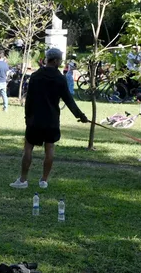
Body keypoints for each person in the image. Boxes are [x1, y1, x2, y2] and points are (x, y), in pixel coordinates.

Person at [10, 48, 88, 189]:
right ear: (56, 60)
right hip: (51, 120)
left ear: (47, 59)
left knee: (28, 148)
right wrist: (81, 116)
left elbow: (29, 100)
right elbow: (69, 101)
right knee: (50, 148)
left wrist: (27, 117)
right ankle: (44, 180)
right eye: (60, 60)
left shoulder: (35, 76)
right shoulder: (60, 79)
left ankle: (23, 180)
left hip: (35, 119)